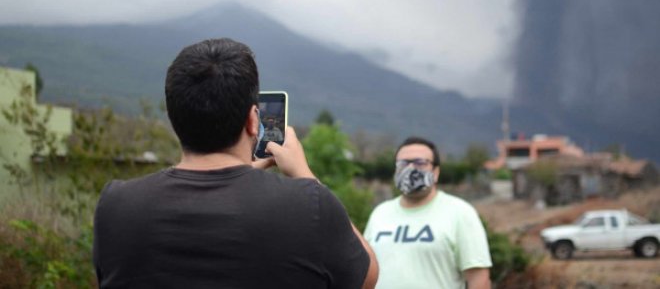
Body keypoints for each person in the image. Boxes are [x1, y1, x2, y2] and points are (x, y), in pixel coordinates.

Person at [93, 38, 378, 288]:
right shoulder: (309, 205)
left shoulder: (116, 205)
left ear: (173, 116)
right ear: (254, 121)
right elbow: (367, 277)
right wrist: (303, 174)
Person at [364, 137, 491, 289]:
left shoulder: (460, 212)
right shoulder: (380, 213)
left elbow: (478, 278)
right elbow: (365, 270)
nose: (410, 168)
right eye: (403, 163)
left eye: (420, 163)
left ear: (436, 172)